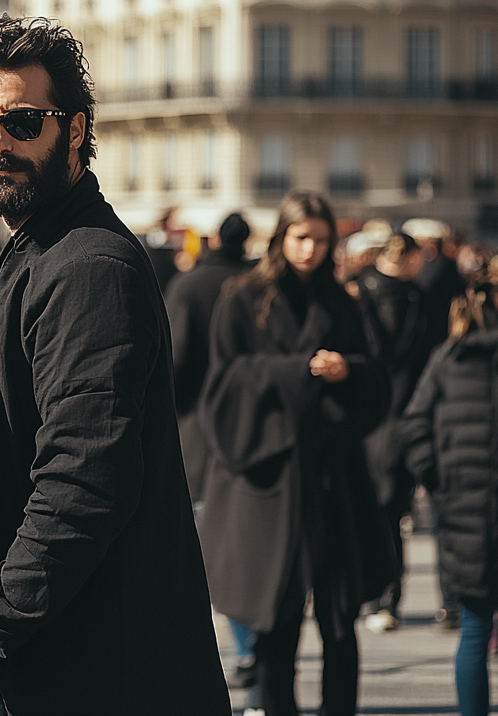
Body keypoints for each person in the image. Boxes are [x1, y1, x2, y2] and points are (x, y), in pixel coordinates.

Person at [0, 15, 230, 716]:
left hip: (66, 670)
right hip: (64, 658)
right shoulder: (47, 249)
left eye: (22, 122)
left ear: (74, 130)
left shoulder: (86, 268)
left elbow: (85, 479)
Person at [200, 190, 395, 716]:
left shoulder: (343, 302)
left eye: (320, 239)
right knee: (276, 622)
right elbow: (222, 387)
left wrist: (347, 370)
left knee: (339, 617)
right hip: (272, 478)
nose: (310, 249)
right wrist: (298, 371)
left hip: (334, 480)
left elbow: (376, 377)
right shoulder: (241, 299)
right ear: (281, 239)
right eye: (301, 237)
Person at [400, 253, 498, 716]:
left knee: (473, 630)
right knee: (473, 631)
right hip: (470, 510)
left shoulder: (447, 357)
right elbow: (415, 427)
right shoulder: (449, 357)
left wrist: (439, 481)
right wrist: (439, 481)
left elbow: (415, 425)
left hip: (464, 512)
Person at [358, 233, 441, 633]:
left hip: (372, 417)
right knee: (390, 512)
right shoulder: (419, 299)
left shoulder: (361, 292)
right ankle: (385, 595)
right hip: (401, 414)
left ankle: (377, 594)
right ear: (407, 258)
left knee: (377, 510)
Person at [165, 211, 252, 504]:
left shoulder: (187, 285)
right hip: (248, 416)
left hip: (195, 417)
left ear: (215, 240)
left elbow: (174, 356)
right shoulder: (253, 285)